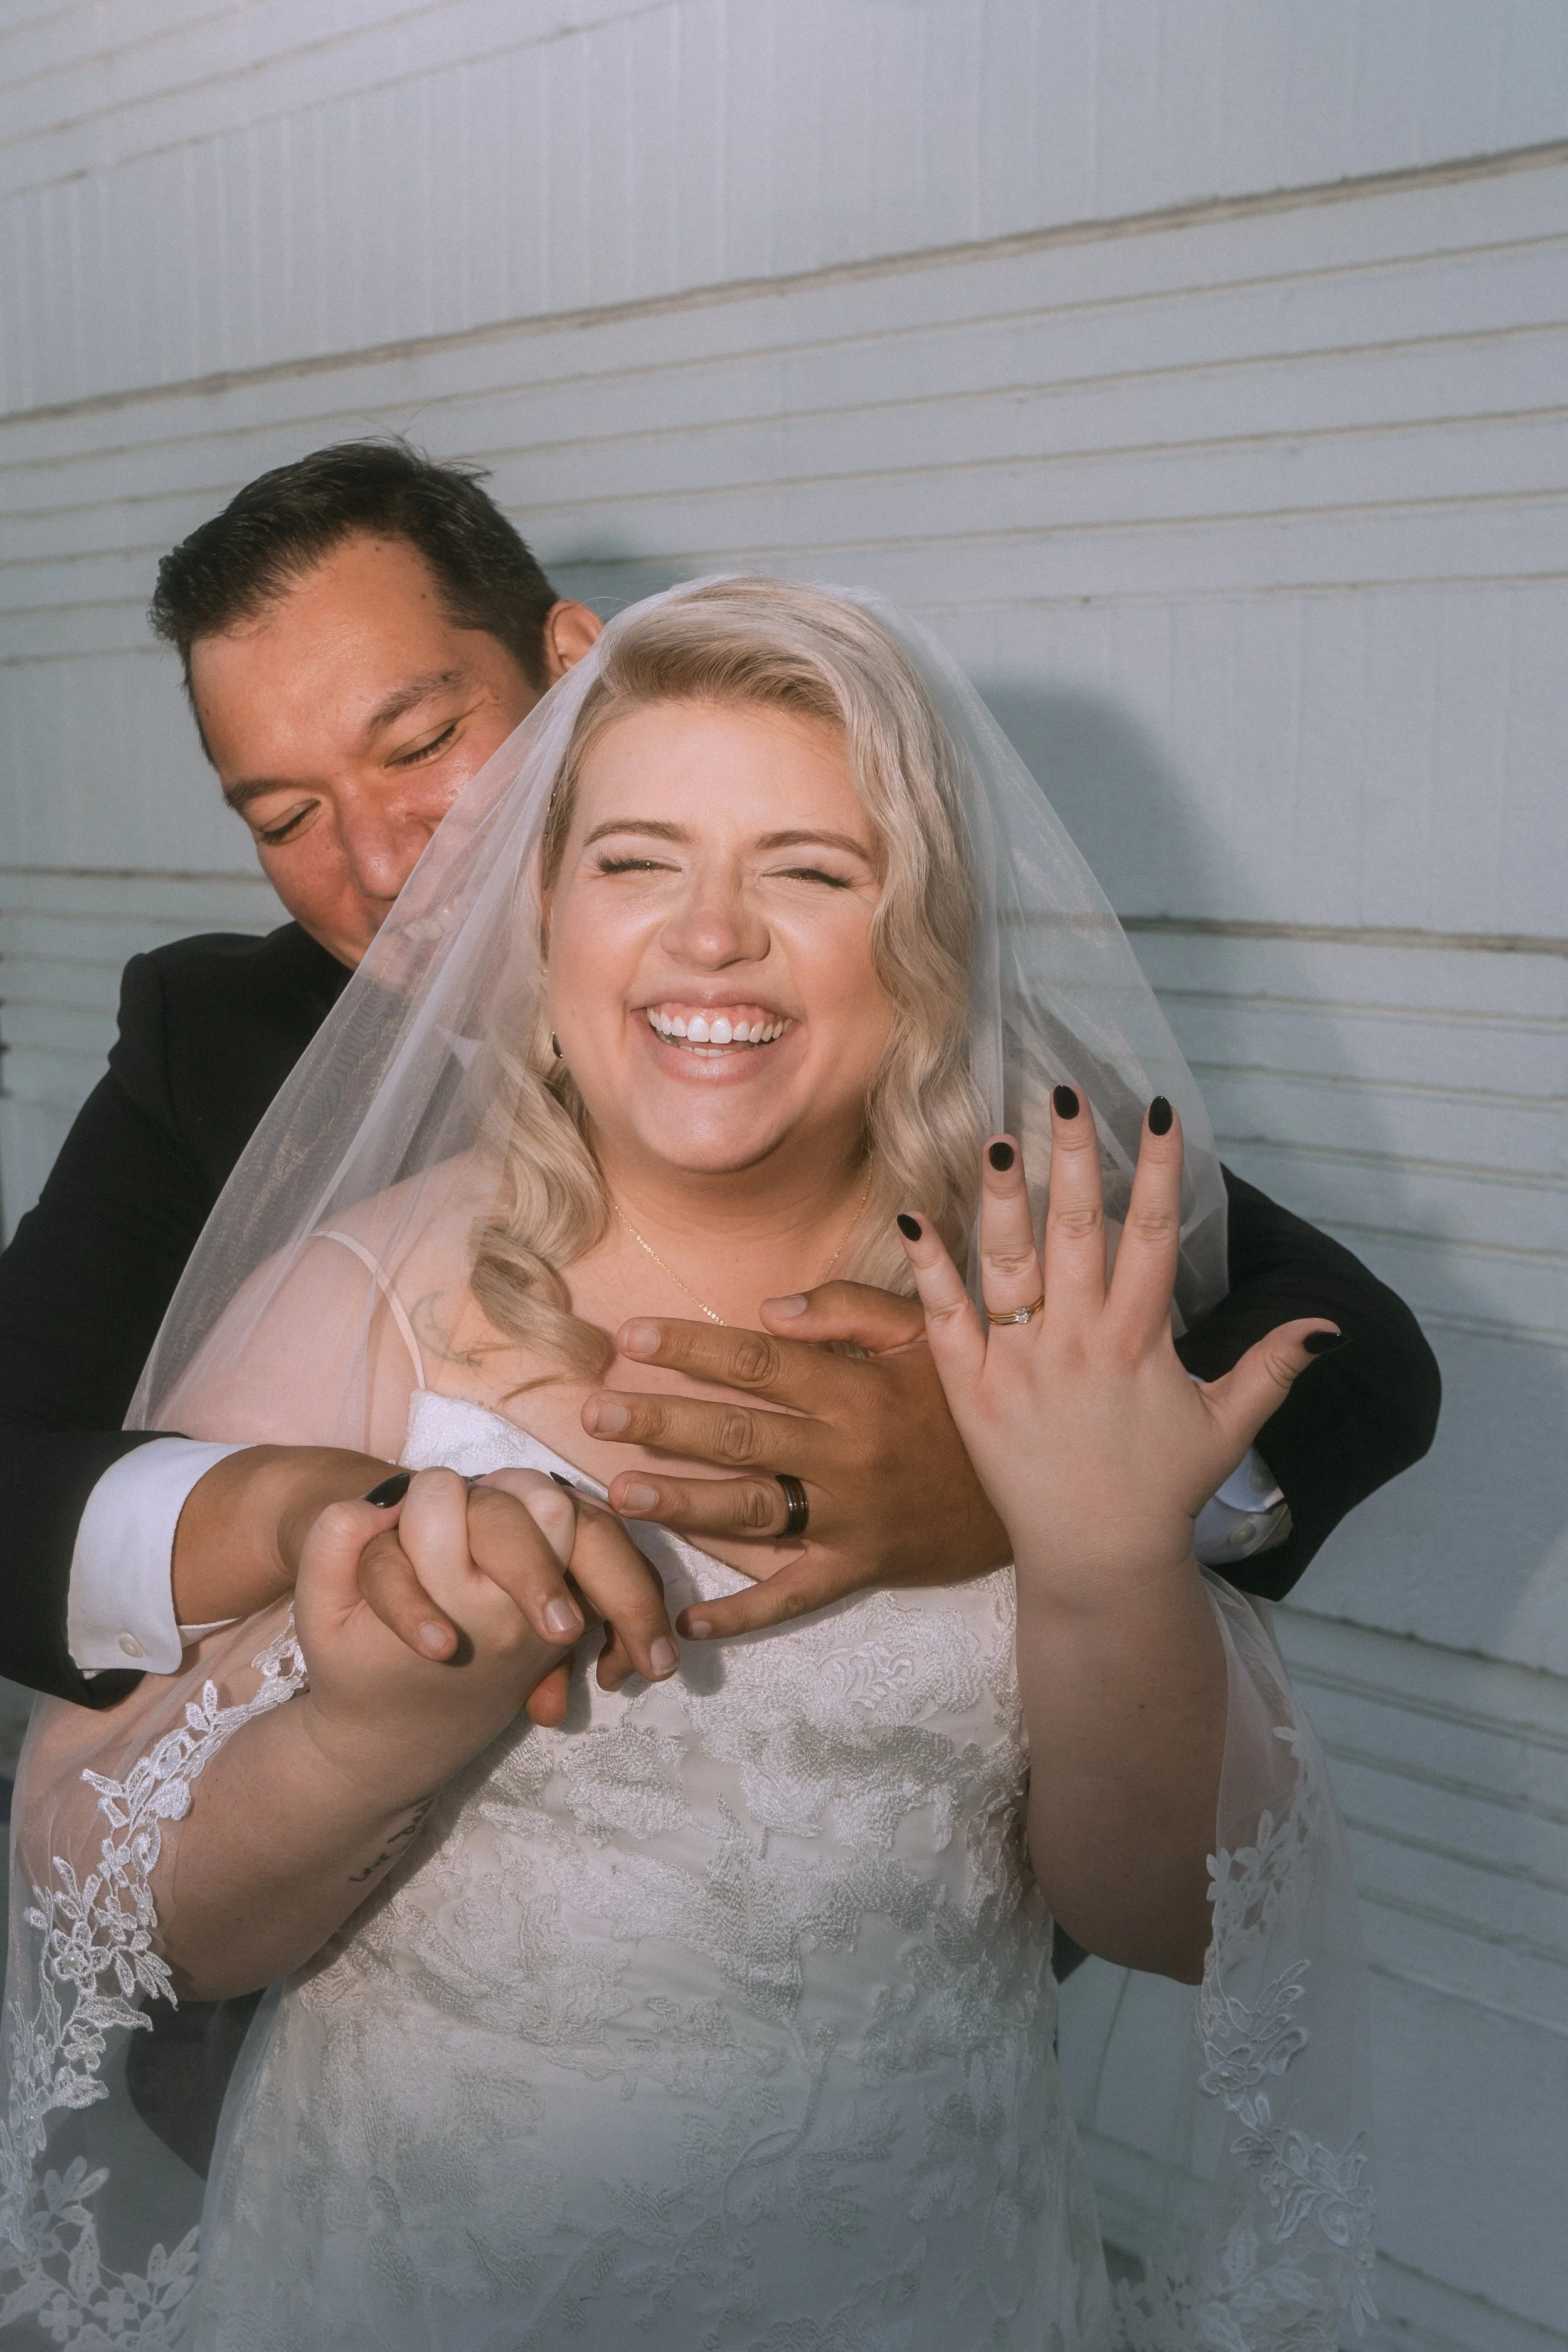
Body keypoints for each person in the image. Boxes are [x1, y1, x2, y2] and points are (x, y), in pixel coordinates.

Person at [2, 580, 1377, 2348]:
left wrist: (1102, 1561)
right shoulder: (354, 1298)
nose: (711, 934)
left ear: (930, 933)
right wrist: (368, 1728)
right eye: (639, 860)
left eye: (810, 867)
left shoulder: (1046, 1291)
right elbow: (119, 1912)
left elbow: (1183, 1920)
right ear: (545, 914)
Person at [0, 442, 1439, 1734]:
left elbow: (1356, 1353)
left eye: (425, 746)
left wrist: (1017, 1491)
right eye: (288, 816)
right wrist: (308, 1507)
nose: (382, 864)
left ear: (571, 666)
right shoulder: (214, 1033)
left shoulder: (869, 1014)